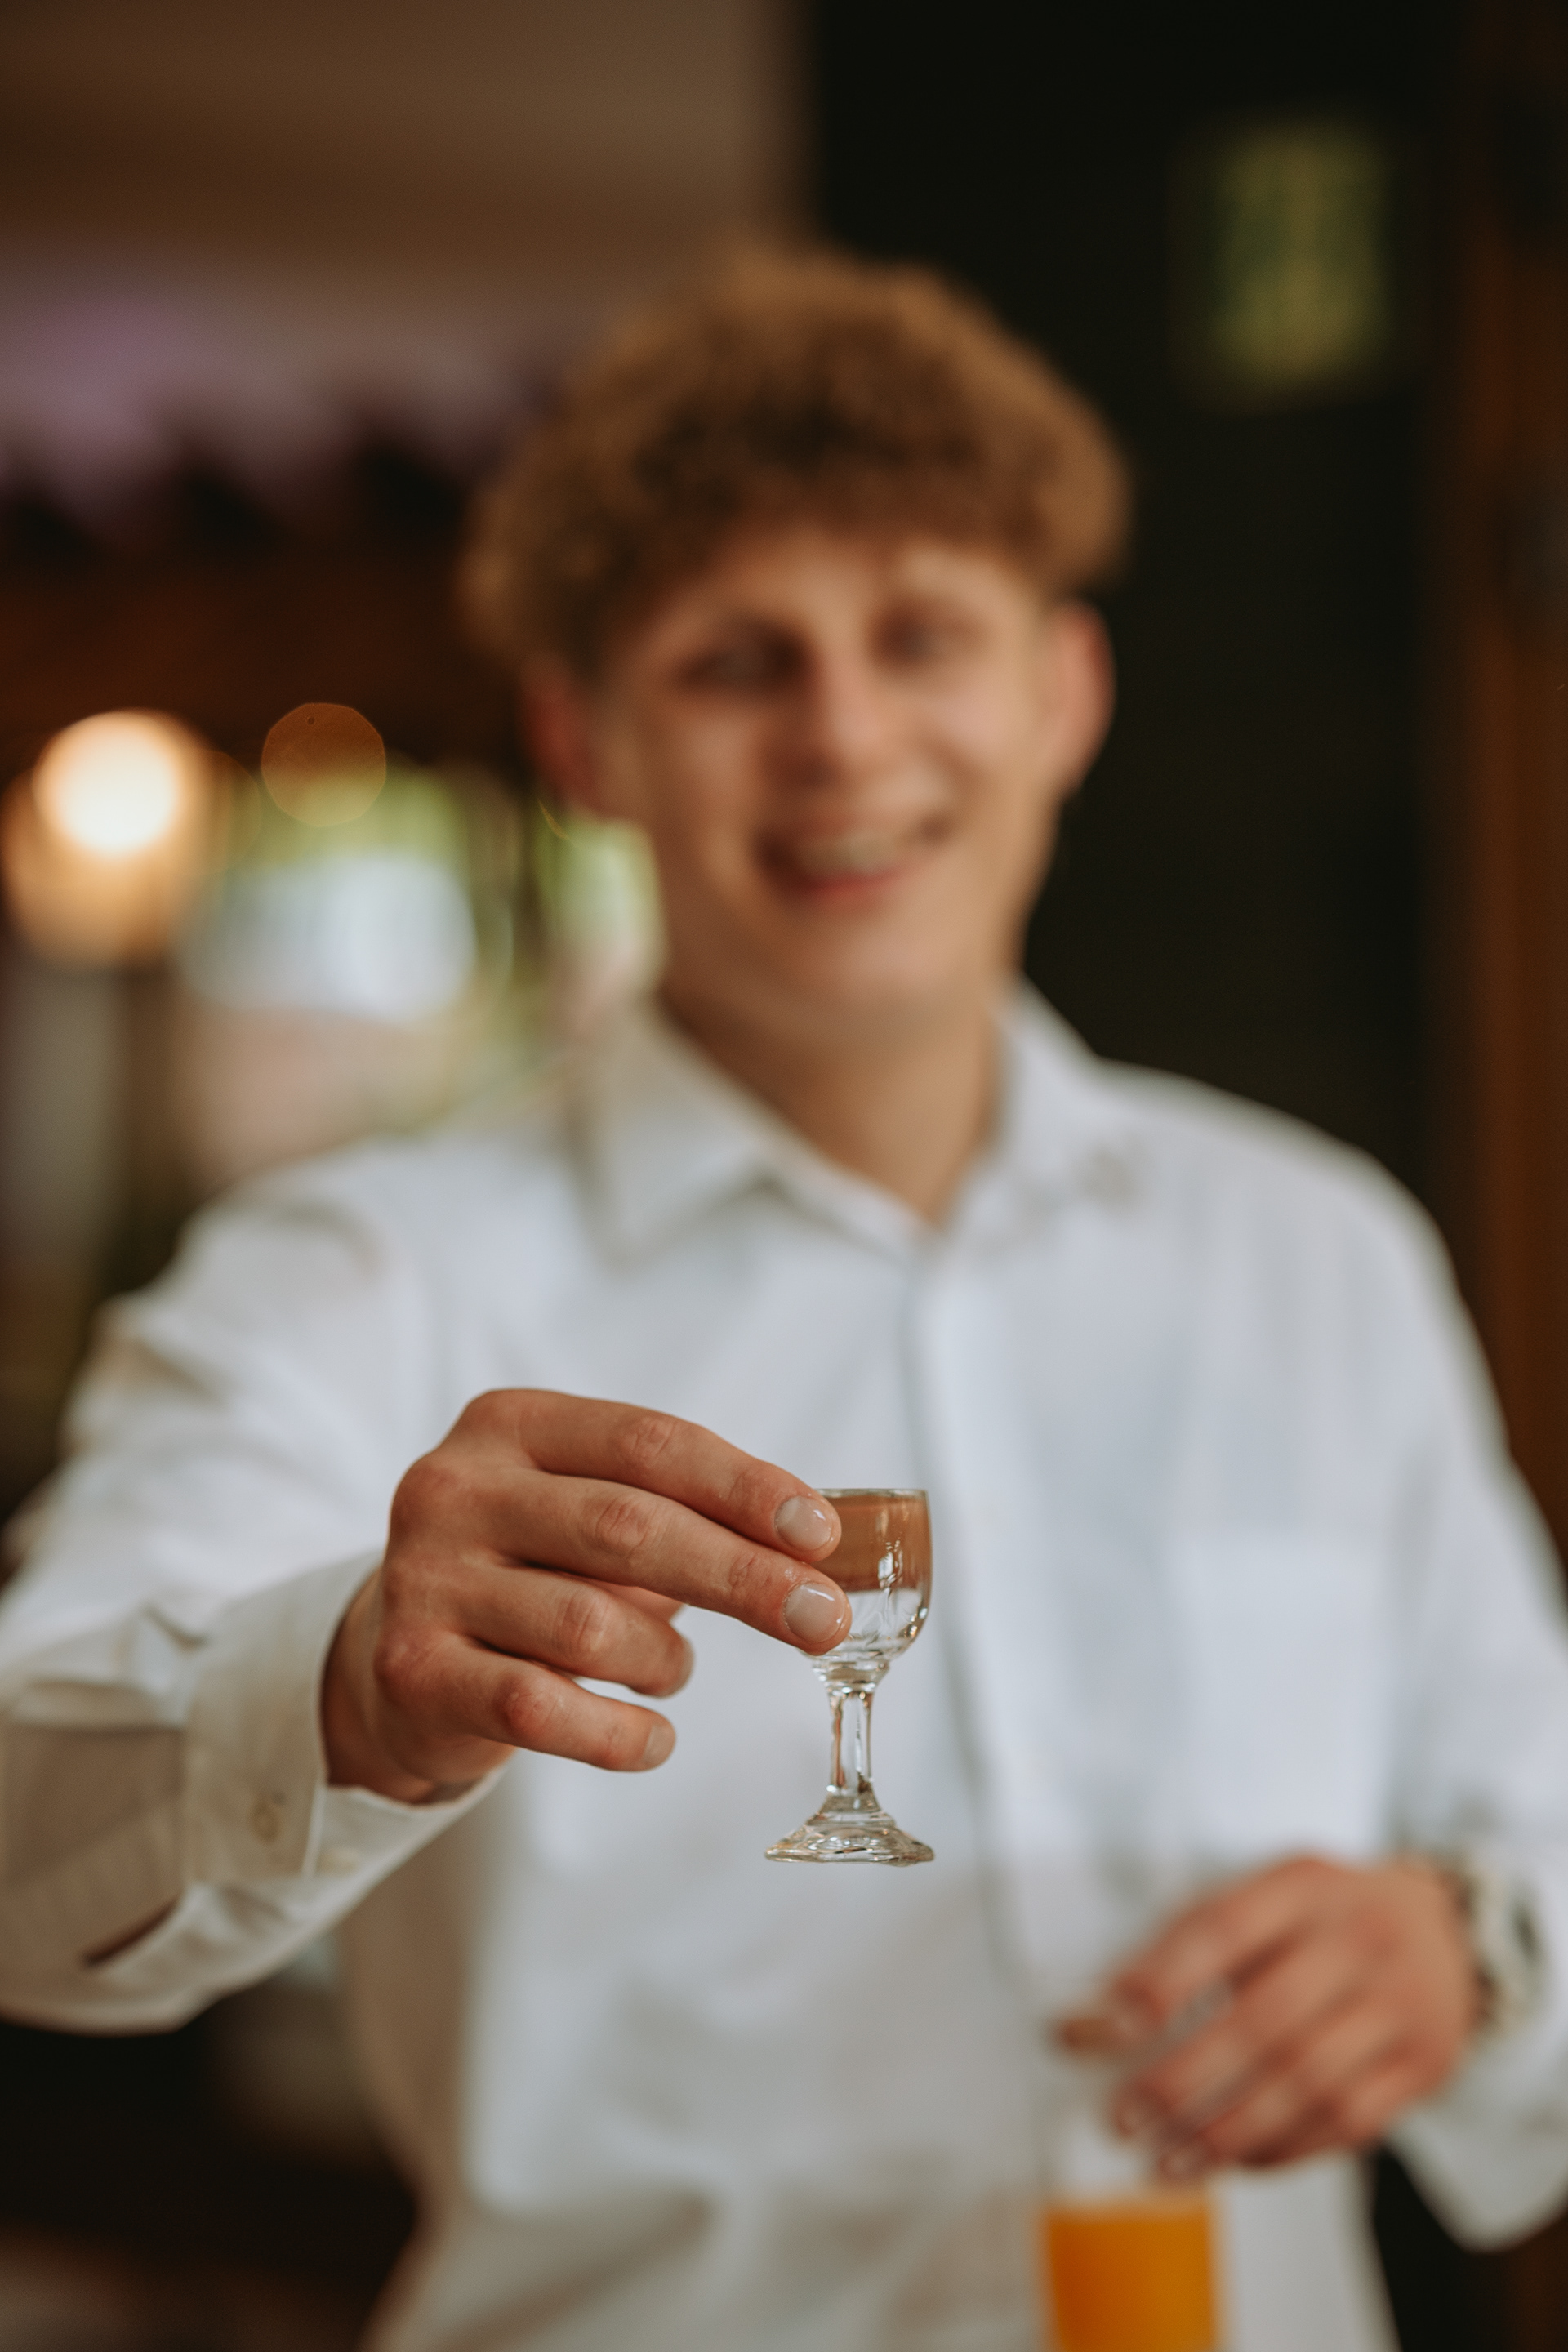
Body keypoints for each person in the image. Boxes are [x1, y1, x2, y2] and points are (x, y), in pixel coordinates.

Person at [2, 246, 1567, 2352]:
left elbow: (1535, 1803)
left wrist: (1473, 1943)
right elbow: (17, 1851)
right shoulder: (359, 1275)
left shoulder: (1317, 1257)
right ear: (586, 738)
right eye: (739, 663)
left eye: (921, 637)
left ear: (1062, 695)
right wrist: (344, 1687)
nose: (844, 737)